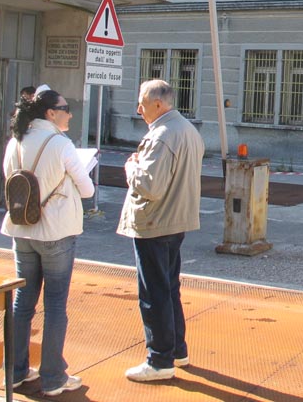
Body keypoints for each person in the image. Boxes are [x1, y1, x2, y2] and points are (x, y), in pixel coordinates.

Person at [1, 88, 94, 396]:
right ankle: (53, 377)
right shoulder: (60, 144)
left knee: (22, 302)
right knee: (55, 304)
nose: (70, 113)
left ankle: (15, 372)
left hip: (21, 229)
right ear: (51, 113)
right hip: (56, 232)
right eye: (65, 108)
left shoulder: (15, 141)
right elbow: (87, 190)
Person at [117, 79, 204, 382]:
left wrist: (131, 168)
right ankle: (177, 350)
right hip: (176, 219)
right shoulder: (187, 129)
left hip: (155, 221)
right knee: (168, 287)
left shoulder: (163, 135)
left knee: (153, 293)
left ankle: (159, 359)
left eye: (142, 104)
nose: (138, 110)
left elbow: (150, 186)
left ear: (157, 104)